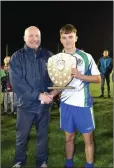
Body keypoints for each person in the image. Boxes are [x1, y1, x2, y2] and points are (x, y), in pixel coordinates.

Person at [50, 24, 101, 168]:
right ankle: (69, 164)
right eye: (64, 38)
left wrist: (80, 75)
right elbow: (60, 83)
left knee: (88, 139)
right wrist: (53, 93)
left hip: (83, 105)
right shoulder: (57, 59)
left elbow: (98, 79)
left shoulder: (85, 57)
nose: (67, 41)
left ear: (76, 38)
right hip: (66, 105)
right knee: (68, 138)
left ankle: (89, 165)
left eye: (70, 37)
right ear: (60, 39)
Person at [9, 26, 53, 168]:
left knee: (43, 137)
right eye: (31, 36)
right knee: (22, 137)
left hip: (44, 106)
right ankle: (19, 161)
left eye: (37, 36)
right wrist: (38, 95)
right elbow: (17, 84)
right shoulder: (17, 57)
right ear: (24, 38)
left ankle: (42, 162)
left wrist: (51, 93)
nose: (35, 39)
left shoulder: (48, 55)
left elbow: (55, 79)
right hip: (25, 106)